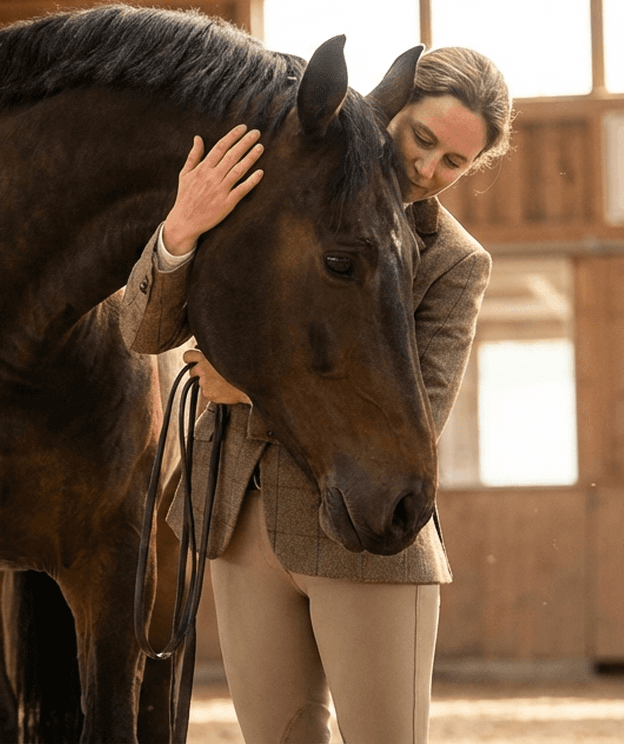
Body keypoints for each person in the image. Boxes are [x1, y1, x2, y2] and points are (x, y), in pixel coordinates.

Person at [120, 46, 513, 744]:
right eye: (422, 140)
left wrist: (248, 388)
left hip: (364, 535)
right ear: (391, 111)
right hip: (237, 519)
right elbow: (144, 331)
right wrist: (180, 228)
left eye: (453, 162)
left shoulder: (455, 262)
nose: (428, 169)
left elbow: (414, 414)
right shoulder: (274, 196)